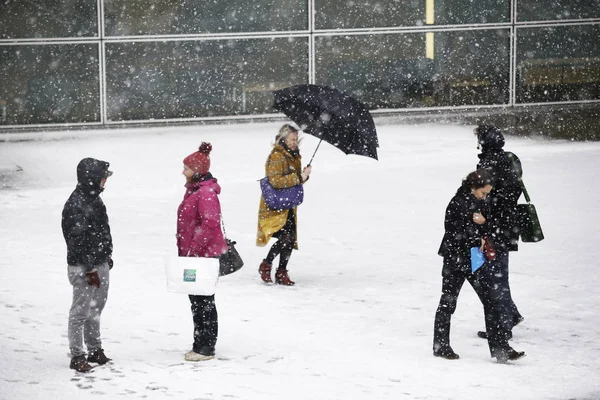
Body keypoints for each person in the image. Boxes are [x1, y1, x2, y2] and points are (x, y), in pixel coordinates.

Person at [433, 169, 525, 363]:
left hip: (474, 260)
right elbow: (453, 232)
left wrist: (484, 225)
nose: (485, 196)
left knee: (491, 301)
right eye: (483, 192)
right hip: (455, 260)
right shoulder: (456, 203)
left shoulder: (479, 202)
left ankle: (501, 348)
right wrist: (478, 237)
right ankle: (441, 346)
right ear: (473, 187)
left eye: (487, 193)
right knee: (448, 303)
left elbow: (483, 226)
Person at [177, 142, 228, 362]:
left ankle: (205, 347)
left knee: (203, 301)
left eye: (186, 168)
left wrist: (193, 249)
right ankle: (200, 344)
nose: (183, 171)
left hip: (202, 257)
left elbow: (209, 224)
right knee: (197, 301)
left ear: (197, 171)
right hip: (193, 256)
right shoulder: (195, 190)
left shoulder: (205, 192)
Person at [62, 158, 114, 373]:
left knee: (96, 308)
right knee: (81, 311)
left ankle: (94, 349)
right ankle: (77, 355)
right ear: (91, 180)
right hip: (84, 267)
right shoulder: (76, 205)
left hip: (99, 262)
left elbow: (103, 230)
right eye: (102, 178)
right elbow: (77, 240)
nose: (105, 182)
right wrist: (90, 267)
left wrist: (107, 253)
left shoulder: (95, 200)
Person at [474, 125, 524, 339]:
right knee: (496, 274)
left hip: (493, 226)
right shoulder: (509, 159)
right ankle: (509, 315)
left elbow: (485, 195)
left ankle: (503, 325)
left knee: (494, 276)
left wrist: (485, 216)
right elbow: (515, 189)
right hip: (507, 224)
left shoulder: (489, 164)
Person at [256, 124, 312, 286]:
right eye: (291, 139)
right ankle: (266, 264)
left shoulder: (294, 155)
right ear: (283, 139)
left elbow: (295, 180)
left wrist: (305, 175)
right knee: (285, 238)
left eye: (296, 139)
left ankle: (281, 271)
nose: (295, 142)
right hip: (275, 204)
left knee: (289, 239)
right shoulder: (277, 156)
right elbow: (276, 181)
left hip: (288, 204)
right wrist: (299, 177)